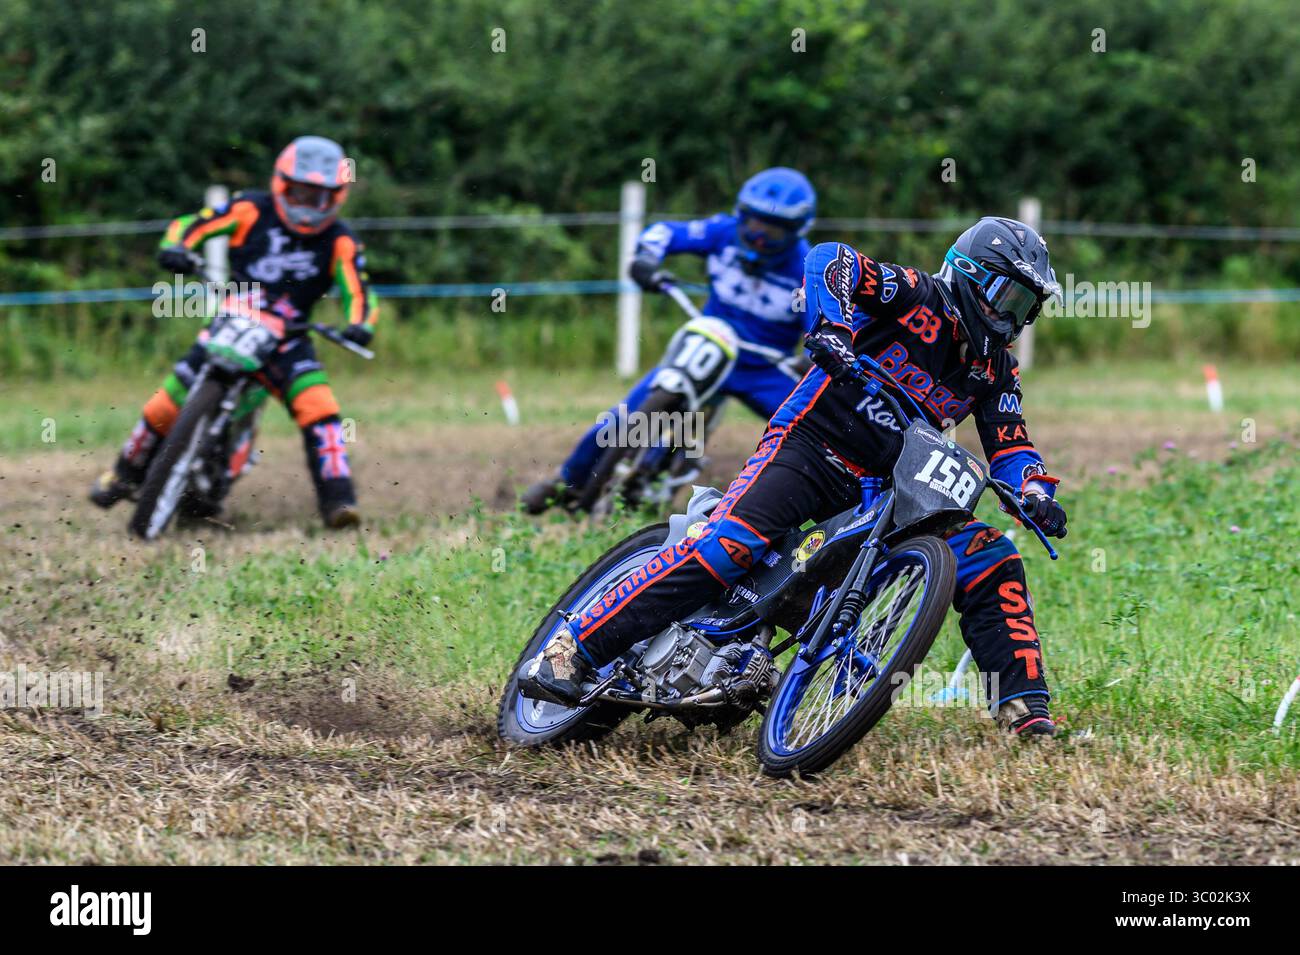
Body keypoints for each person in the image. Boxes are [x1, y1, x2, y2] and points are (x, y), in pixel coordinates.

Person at [519, 216, 1069, 736]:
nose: (1014, 319)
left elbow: (1012, 443)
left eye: (1027, 307)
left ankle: (1024, 706)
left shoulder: (996, 369)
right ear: (970, 277)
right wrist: (831, 328)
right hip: (810, 446)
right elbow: (833, 259)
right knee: (728, 548)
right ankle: (574, 647)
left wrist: (1034, 490)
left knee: (992, 554)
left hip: (890, 486)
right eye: (1008, 298)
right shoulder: (917, 295)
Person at [89, 135, 378, 528]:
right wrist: (176, 247)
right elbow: (192, 225)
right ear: (281, 183)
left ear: (337, 197)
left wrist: (361, 325)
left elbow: (357, 290)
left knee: (321, 409)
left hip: (289, 340)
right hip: (234, 320)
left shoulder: (340, 239)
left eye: (319, 197)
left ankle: (338, 501)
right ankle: (124, 474)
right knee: (162, 405)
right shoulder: (250, 207)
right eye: (299, 192)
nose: (307, 205)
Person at [522, 167, 817, 513]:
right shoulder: (722, 232)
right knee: (622, 418)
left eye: (773, 230)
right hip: (711, 341)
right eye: (753, 225)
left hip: (765, 366)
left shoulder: (807, 269)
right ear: (741, 216)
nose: (759, 238)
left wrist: (812, 354)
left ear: (796, 231)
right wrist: (646, 260)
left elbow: (821, 324)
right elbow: (664, 231)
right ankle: (566, 480)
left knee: (812, 431)